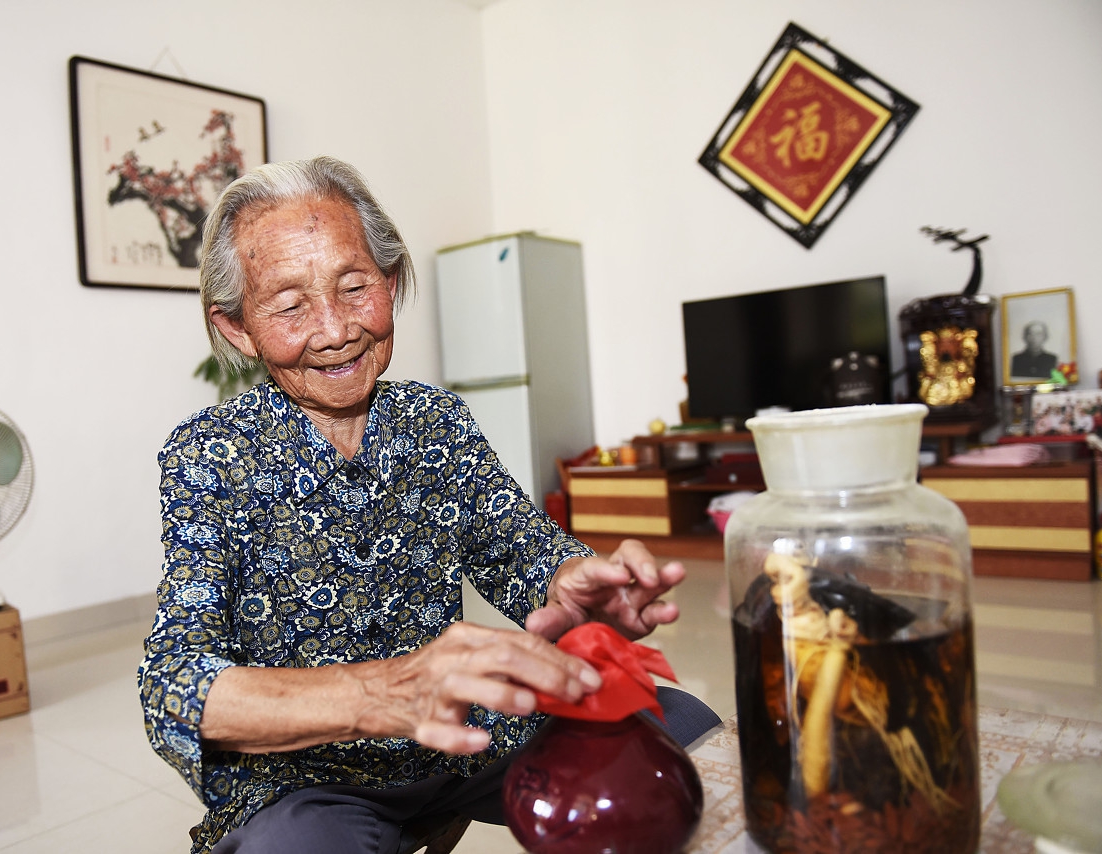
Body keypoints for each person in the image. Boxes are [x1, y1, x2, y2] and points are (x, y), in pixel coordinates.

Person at [138, 156, 718, 854]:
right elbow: (172, 683)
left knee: (680, 730)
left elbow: (521, 549)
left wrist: (575, 583)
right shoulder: (211, 454)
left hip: (461, 737)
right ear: (238, 329)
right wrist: (383, 694)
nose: (334, 330)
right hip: (305, 777)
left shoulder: (434, 421)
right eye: (290, 306)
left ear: (388, 283)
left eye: (355, 288)